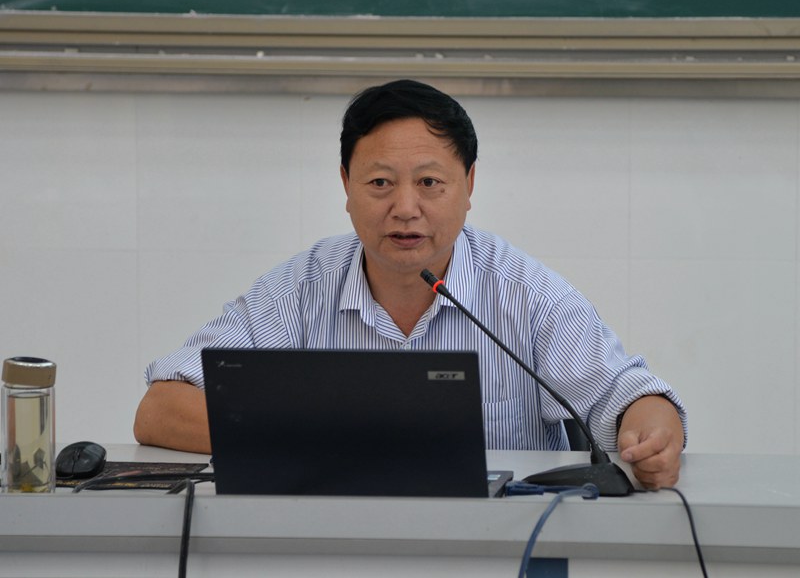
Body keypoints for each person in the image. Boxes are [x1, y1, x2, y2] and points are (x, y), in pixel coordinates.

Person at [134, 79, 687, 489]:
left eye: (429, 182)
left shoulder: (522, 291)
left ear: (468, 185)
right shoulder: (300, 289)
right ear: (345, 185)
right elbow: (161, 409)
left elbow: (631, 397)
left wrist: (655, 438)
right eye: (379, 182)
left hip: (494, 548)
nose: (405, 208)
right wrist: (330, 439)